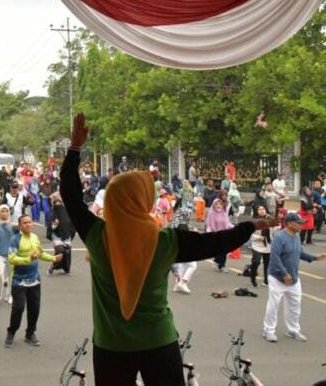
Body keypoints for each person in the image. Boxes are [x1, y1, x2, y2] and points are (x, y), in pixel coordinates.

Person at [61, 113, 273, 384]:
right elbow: (217, 242)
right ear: (143, 200)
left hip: (111, 344)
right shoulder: (165, 241)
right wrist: (252, 225)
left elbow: (70, 194)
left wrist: (75, 148)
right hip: (158, 341)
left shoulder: (96, 234)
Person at [263, 213, 326, 343]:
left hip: (293, 277)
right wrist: (284, 274)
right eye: (299, 223)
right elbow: (275, 257)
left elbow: (300, 253)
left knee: (295, 305)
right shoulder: (279, 237)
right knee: (274, 304)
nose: (302, 225)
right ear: (290, 223)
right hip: (277, 277)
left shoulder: (296, 236)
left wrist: (315, 257)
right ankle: (268, 330)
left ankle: (293, 330)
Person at [4, 215, 62, 348]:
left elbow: (40, 254)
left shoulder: (35, 238)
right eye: (25, 223)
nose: (28, 225)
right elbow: (12, 258)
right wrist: (29, 259)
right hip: (19, 281)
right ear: (20, 226)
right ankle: (11, 332)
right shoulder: (15, 239)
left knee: (34, 309)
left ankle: (30, 334)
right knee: (18, 308)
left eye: (30, 222)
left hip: (35, 281)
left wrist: (53, 258)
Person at [48, 194, 75, 275]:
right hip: (57, 237)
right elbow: (50, 228)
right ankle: (52, 266)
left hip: (67, 237)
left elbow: (72, 226)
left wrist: (71, 235)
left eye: (59, 204)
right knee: (60, 251)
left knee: (67, 252)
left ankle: (67, 269)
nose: (58, 207)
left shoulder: (68, 214)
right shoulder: (53, 215)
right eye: (56, 205)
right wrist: (55, 225)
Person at [249, 205, 275, 288]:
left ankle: (266, 280)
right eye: (259, 209)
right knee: (256, 261)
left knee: (267, 263)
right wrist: (257, 237)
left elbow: (275, 231)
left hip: (268, 244)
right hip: (257, 244)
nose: (261, 211)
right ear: (256, 211)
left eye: (263, 209)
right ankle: (253, 278)